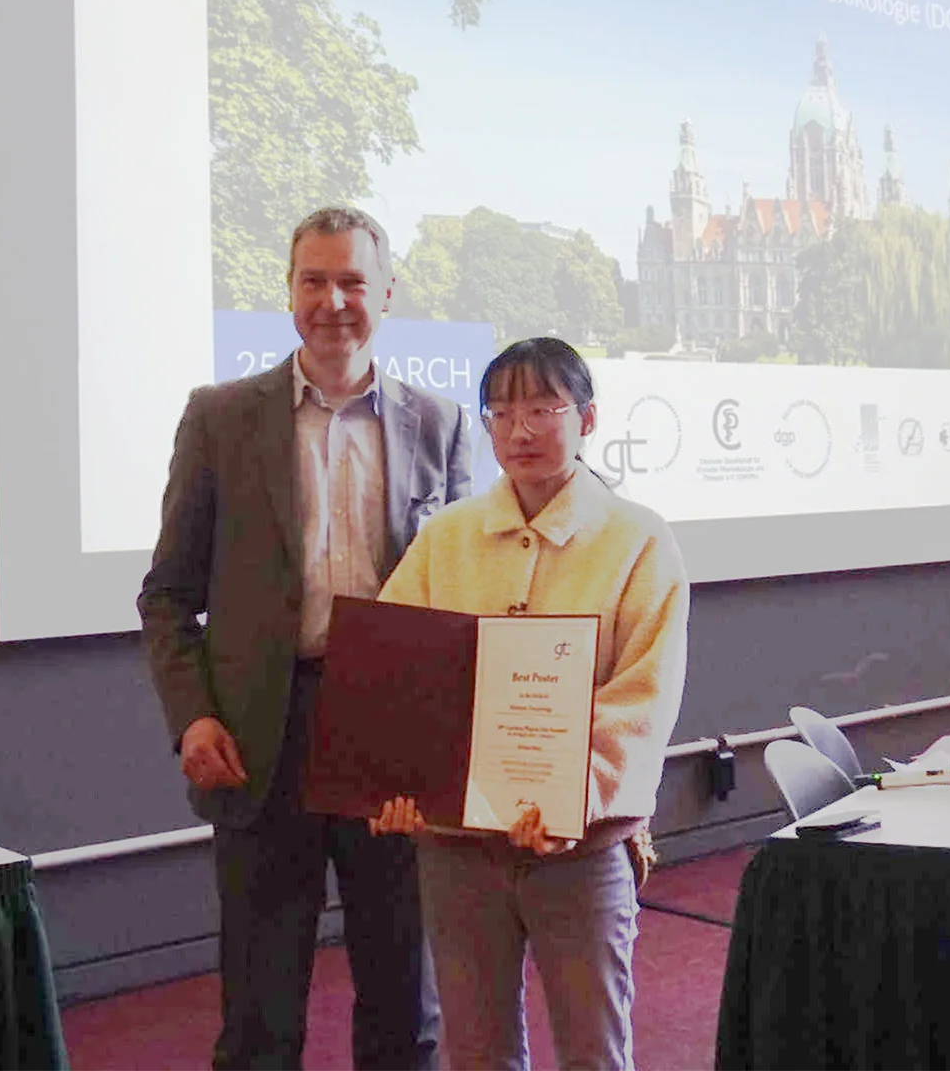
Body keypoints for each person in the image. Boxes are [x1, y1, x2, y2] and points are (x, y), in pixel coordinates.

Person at [138, 205, 470, 1070]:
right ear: (288, 293)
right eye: (314, 280)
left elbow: (472, 598)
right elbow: (167, 594)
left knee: (404, 995)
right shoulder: (219, 418)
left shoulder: (441, 424)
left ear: (386, 294)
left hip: (393, 740)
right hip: (258, 737)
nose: (334, 301)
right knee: (259, 1009)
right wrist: (192, 717)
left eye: (352, 281)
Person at [372, 336, 690, 1070]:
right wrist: (396, 782)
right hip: (456, 847)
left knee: (592, 1050)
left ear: (587, 418)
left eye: (544, 407)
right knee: (474, 1052)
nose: (520, 429)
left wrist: (574, 794)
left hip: (580, 846)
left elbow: (643, 692)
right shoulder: (445, 538)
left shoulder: (637, 540)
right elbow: (393, 675)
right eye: (502, 411)